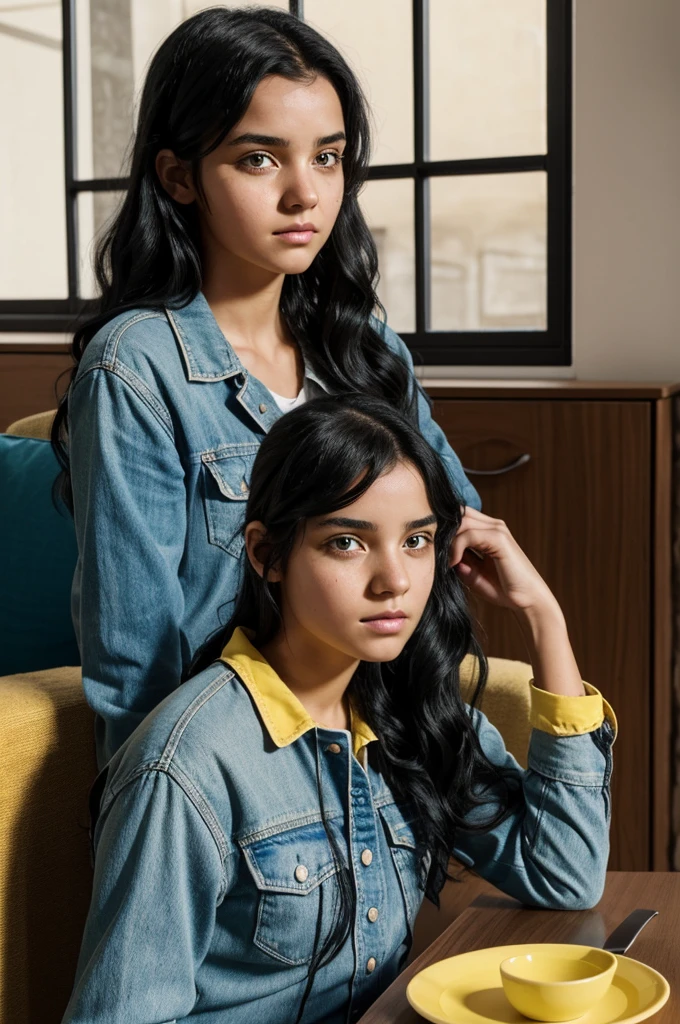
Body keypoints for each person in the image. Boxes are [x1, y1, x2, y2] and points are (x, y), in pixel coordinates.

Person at [62, 396, 616, 1024]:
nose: (394, 581)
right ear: (267, 554)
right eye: (348, 542)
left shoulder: (412, 711)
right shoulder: (187, 768)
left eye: (416, 541)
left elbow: (564, 874)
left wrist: (546, 618)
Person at [51, 6, 481, 768]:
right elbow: (136, 668)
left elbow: (454, 532)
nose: (305, 195)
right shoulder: (137, 369)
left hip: (386, 743)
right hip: (235, 776)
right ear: (179, 176)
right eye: (259, 159)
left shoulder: (365, 346)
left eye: (328, 157)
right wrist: (166, 819)